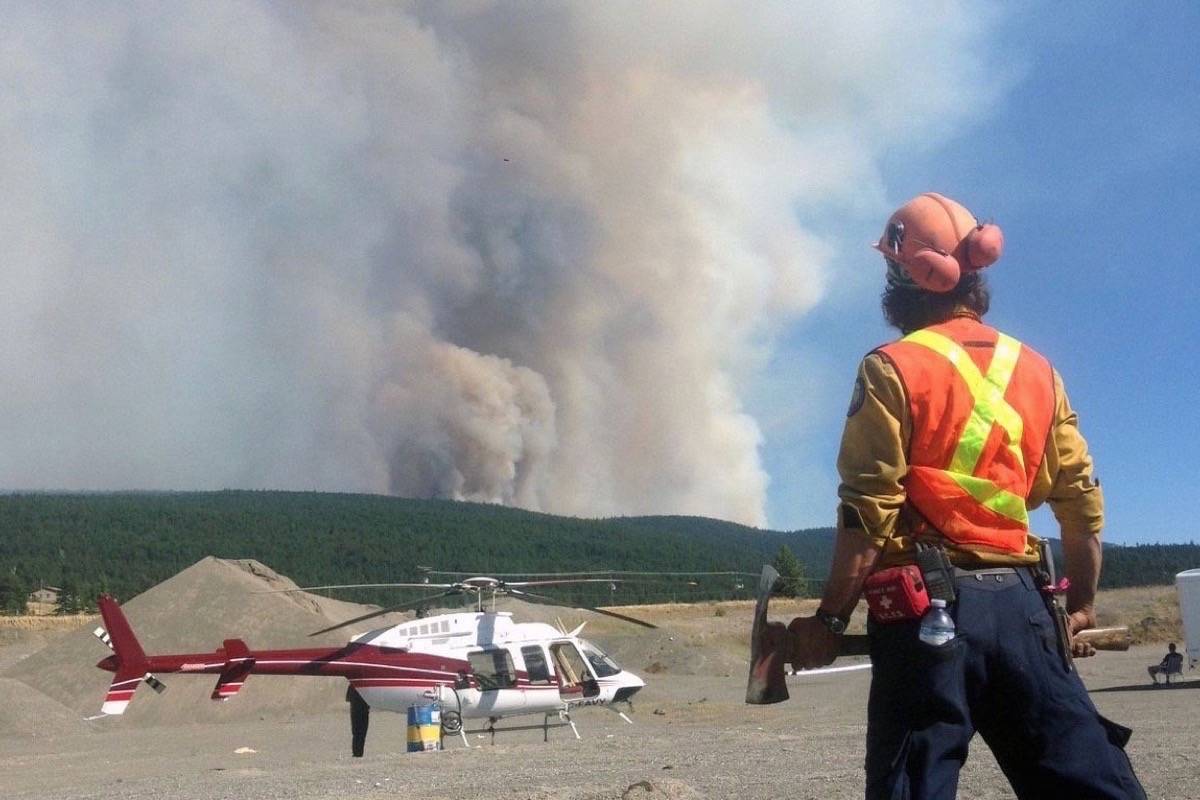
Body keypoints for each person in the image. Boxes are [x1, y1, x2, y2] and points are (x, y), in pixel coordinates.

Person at [784, 193, 1146, 799]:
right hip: (1027, 610)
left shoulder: (891, 367)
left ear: (905, 276)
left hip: (926, 616)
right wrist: (1079, 602)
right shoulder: (1038, 371)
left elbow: (867, 513)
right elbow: (1081, 500)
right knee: (1091, 784)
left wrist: (828, 620)